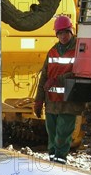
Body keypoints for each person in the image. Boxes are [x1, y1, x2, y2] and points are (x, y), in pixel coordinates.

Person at [34, 16, 84, 164]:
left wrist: (58, 79)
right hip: (52, 102)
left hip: (68, 102)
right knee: (52, 134)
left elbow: (80, 72)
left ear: (71, 32)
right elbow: (44, 77)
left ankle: (60, 160)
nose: (63, 36)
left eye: (66, 33)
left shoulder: (79, 50)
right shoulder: (52, 52)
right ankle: (53, 162)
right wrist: (38, 100)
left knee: (62, 135)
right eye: (60, 33)